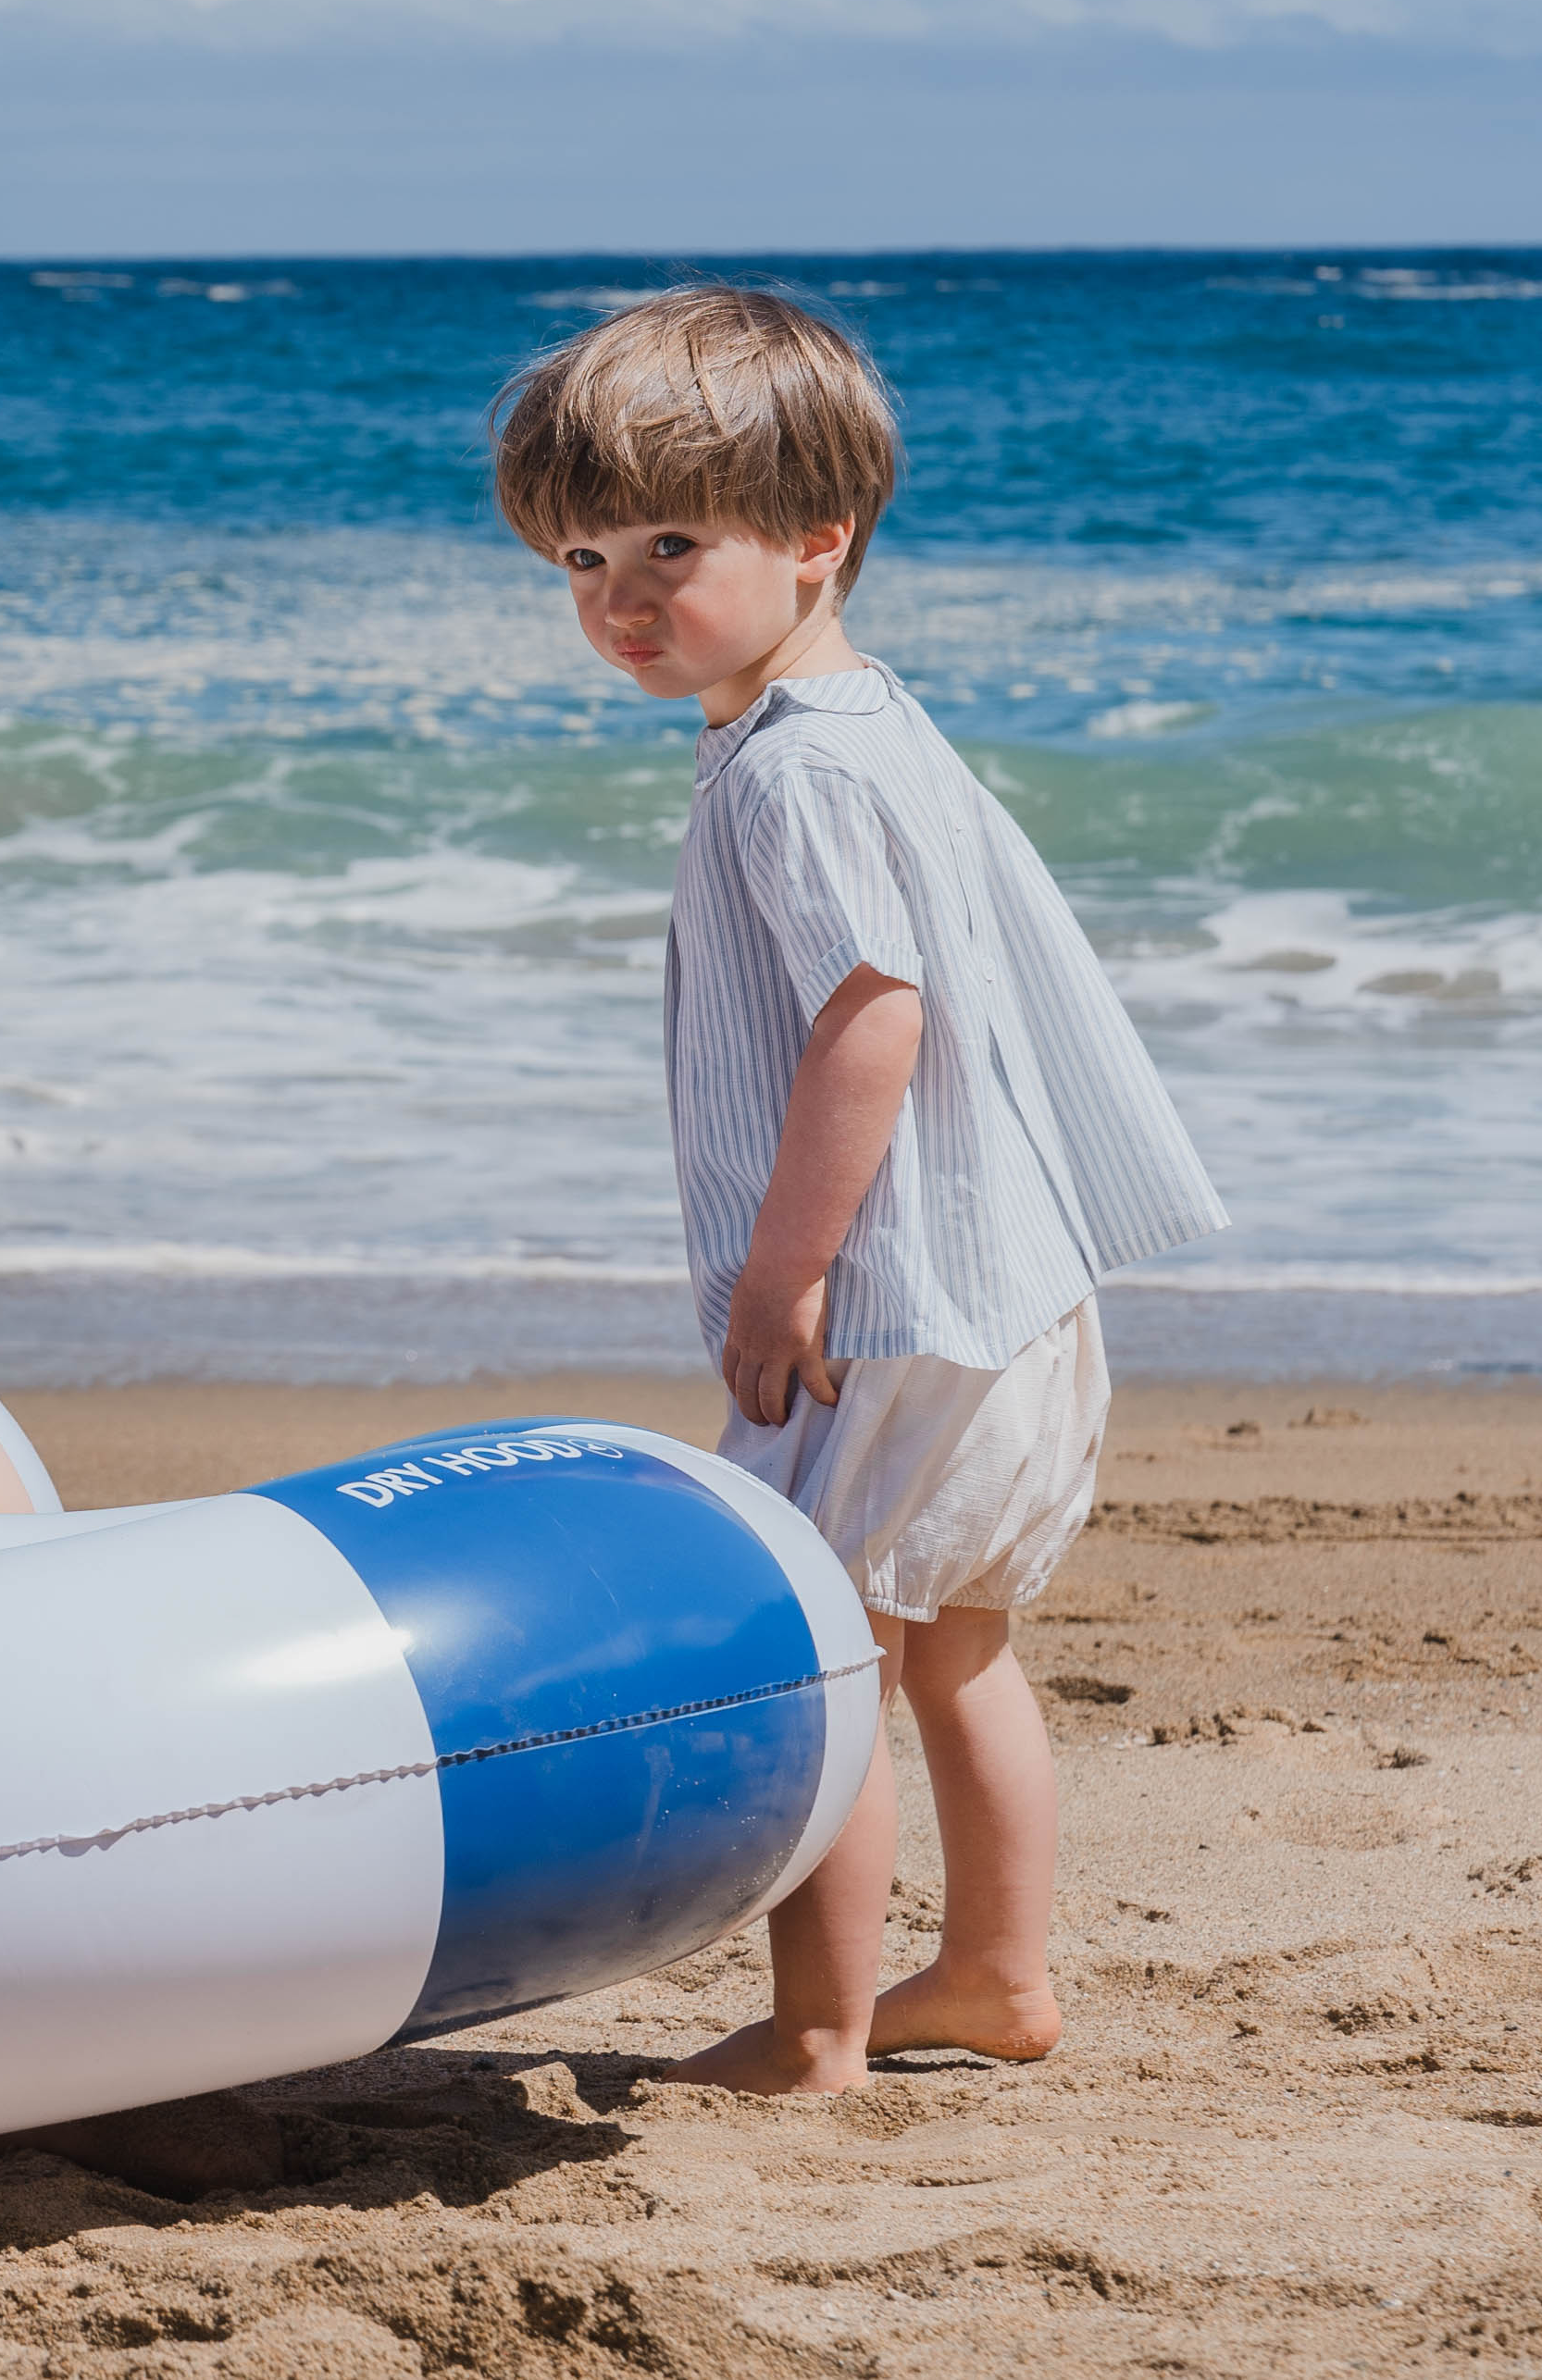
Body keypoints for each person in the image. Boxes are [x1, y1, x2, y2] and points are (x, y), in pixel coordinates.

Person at [493, 283, 1225, 2095]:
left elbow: (870, 1021)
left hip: (889, 1303)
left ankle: (819, 2030)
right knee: (953, 1642)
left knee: (813, 1657)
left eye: (671, 542)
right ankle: (988, 1975)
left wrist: (778, 1275)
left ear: (816, 539)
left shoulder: (789, 776)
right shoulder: (860, 723)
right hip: (1007, 1285)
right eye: (582, 560)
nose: (621, 596)